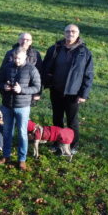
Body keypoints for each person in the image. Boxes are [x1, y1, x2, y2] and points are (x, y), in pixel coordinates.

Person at [42, 24, 94, 153]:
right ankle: (57, 142)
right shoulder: (55, 49)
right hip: (56, 89)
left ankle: (73, 145)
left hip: (73, 92)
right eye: (67, 31)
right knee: (57, 118)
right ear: (64, 33)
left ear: (78, 34)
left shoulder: (84, 52)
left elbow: (88, 74)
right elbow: (46, 67)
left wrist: (84, 94)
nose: (70, 33)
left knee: (72, 121)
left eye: (73, 31)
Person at [0, 49, 41, 170]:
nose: (17, 61)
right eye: (15, 58)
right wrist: (4, 86)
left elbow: (37, 87)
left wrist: (21, 90)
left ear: (25, 58)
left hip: (23, 107)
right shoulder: (7, 67)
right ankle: (6, 155)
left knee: (22, 133)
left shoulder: (32, 69)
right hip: (7, 106)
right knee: (7, 132)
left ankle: (22, 159)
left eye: (20, 59)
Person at [0, 33, 42, 102]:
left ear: (31, 42)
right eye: (22, 39)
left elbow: (40, 73)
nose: (24, 41)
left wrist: (38, 93)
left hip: (28, 91)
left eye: (27, 40)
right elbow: (2, 71)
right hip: (10, 92)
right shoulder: (10, 53)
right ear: (18, 40)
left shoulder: (36, 55)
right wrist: (3, 87)